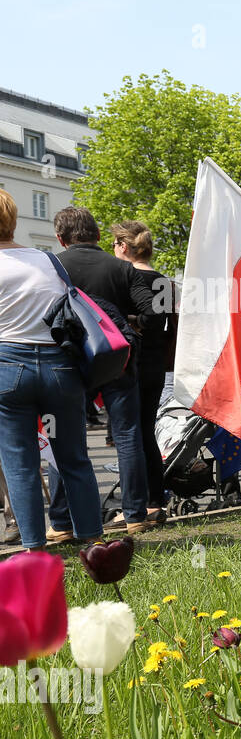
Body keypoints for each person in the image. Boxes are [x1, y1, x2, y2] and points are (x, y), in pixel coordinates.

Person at [0, 190, 103, 549]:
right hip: (60, 367)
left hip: (8, 368)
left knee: (20, 464)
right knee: (74, 458)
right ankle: (93, 541)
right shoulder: (47, 260)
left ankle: (34, 548)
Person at [50, 206, 157, 537]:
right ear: (98, 235)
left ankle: (63, 522)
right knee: (127, 434)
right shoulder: (121, 268)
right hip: (115, 358)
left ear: (60, 238)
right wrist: (125, 323)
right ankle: (135, 513)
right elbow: (153, 314)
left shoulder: (53, 266)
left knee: (64, 437)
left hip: (68, 360)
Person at [111, 221, 173, 520]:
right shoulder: (164, 280)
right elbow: (167, 324)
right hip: (157, 363)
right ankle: (155, 500)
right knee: (147, 431)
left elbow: (145, 319)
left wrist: (132, 320)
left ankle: (134, 504)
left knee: (129, 434)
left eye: (114, 244)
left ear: (124, 246)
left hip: (132, 361)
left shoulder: (125, 277)